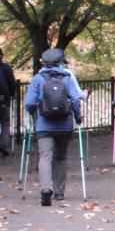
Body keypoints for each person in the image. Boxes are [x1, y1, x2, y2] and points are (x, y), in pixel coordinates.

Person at [24, 48, 83, 206]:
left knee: (45, 156)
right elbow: (75, 100)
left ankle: (46, 189)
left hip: (44, 124)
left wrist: (34, 113)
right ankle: (59, 192)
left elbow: (29, 102)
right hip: (64, 125)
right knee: (61, 157)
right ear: (60, 63)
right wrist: (78, 117)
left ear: (43, 62)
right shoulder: (67, 78)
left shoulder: (38, 79)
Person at [0, 47, 17, 158]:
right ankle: (3, 144)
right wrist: (11, 95)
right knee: (5, 123)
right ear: (2, 56)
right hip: (4, 100)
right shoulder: (7, 68)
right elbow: (12, 83)